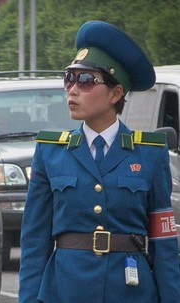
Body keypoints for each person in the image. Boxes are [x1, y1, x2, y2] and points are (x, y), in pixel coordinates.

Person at [19, 20, 180, 303]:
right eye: (69, 78)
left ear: (116, 93)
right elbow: (34, 243)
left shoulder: (150, 154)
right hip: (65, 291)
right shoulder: (50, 152)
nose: (72, 89)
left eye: (86, 80)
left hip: (131, 292)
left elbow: (163, 244)